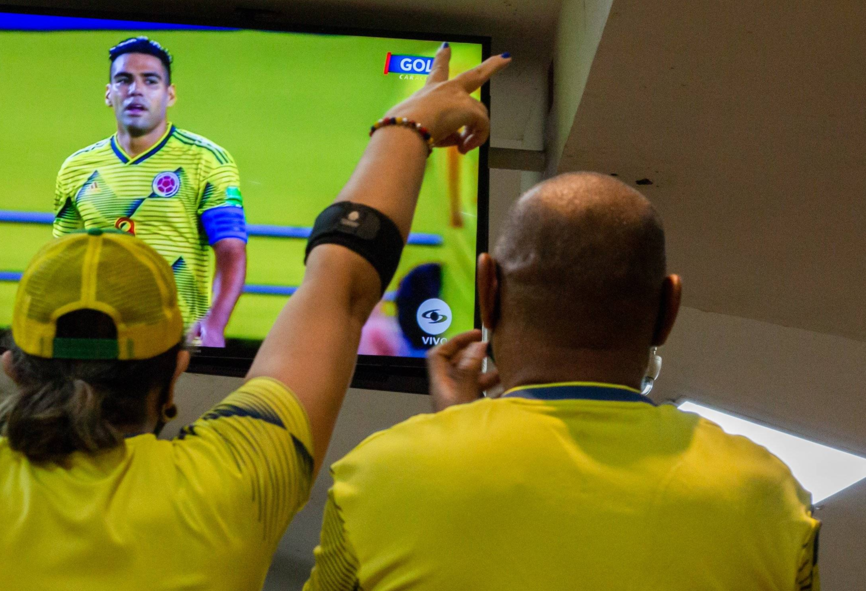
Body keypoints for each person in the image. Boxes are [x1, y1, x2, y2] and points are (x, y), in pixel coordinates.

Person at [0, 44, 509, 590]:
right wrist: (409, 123)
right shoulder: (233, 482)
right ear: (176, 369)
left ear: (14, 366)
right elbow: (343, 285)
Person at [303, 172, 822, 591]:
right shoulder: (771, 497)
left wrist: (456, 436)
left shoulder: (377, 476)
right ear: (668, 309)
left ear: (487, 291)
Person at [53, 36, 246, 347]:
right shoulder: (76, 167)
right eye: (124, 80)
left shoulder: (206, 160)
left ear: (169, 95)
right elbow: (65, 259)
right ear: (109, 93)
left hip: (177, 341)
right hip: (100, 341)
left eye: (150, 81)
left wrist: (214, 323)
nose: (136, 90)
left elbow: (231, 250)